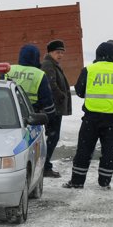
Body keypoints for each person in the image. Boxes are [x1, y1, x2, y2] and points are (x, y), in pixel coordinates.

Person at [63, 41, 113, 189]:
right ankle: (104, 182)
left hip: (91, 118)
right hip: (111, 119)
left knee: (84, 150)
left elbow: (79, 92)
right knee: (109, 152)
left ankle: (77, 182)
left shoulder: (89, 69)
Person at [40, 40, 72, 178]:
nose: (60, 55)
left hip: (54, 107)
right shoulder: (48, 65)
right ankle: (44, 166)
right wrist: (60, 95)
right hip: (53, 109)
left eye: (62, 52)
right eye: (57, 52)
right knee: (52, 137)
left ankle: (45, 165)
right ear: (49, 52)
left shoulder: (53, 64)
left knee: (52, 138)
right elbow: (50, 84)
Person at [6, 44, 56, 118]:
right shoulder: (39, 74)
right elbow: (46, 98)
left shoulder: (9, 69)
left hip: (9, 112)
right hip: (31, 113)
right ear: (36, 57)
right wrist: (51, 114)